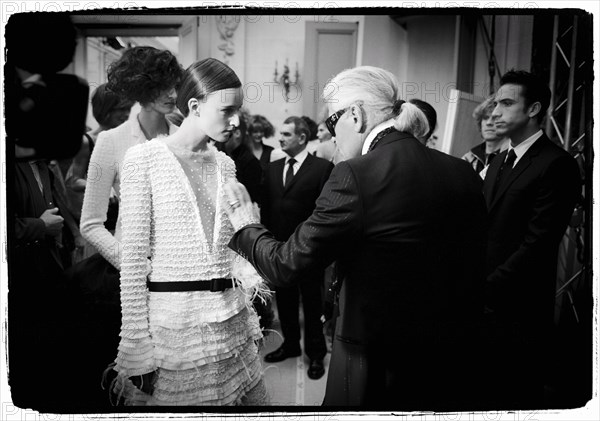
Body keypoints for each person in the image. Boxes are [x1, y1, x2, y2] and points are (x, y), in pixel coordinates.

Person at [224, 66, 487, 409]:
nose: (332, 137)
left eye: (333, 124)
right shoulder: (460, 170)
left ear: (355, 114)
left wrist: (245, 224)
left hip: (375, 352)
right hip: (449, 350)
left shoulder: (355, 173)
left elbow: (286, 264)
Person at [110, 58, 269, 406]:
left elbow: (232, 250)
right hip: (178, 329)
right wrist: (136, 348)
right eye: (227, 110)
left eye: (238, 110)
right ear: (195, 105)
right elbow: (134, 261)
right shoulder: (144, 159)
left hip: (232, 321)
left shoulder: (226, 163)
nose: (236, 120)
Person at [482, 70, 581, 409]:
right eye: (495, 103)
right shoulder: (498, 161)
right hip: (483, 306)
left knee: (516, 397)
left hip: (519, 310)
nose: (494, 112)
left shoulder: (557, 165)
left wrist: (487, 286)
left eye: (506, 103)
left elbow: (539, 243)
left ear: (534, 108)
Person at [80, 46, 182, 270]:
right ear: (142, 88)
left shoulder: (185, 138)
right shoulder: (111, 140)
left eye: (174, 85)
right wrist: (131, 264)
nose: (172, 94)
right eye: (162, 87)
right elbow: (90, 223)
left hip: (181, 267)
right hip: (132, 269)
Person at [261, 116, 334, 380]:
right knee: (286, 301)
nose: (279, 138)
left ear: (302, 138)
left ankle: (316, 353)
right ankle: (290, 345)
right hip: (279, 250)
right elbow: (267, 210)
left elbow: (324, 211)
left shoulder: (322, 168)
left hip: (310, 251)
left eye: (286, 134)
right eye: (280, 134)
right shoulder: (272, 168)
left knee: (313, 305)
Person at [66, 84, 133, 228]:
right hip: (102, 219)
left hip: (128, 216)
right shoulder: (87, 141)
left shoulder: (129, 138)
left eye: (128, 108)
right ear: (105, 110)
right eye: (121, 109)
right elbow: (73, 180)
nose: (126, 114)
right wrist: (104, 185)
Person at [462, 95, 508, 178]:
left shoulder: (511, 157)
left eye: (495, 118)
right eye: (485, 118)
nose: (489, 123)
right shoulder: (468, 157)